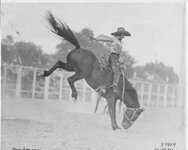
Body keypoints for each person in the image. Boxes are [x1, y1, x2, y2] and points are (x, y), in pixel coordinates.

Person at [90, 27, 131, 92]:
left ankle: (105, 85)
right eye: (123, 35)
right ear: (120, 34)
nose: (123, 37)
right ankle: (114, 86)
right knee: (116, 71)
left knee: (113, 71)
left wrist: (121, 62)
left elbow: (119, 54)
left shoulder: (119, 43)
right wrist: (96, 39)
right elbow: (105, 38)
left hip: (116, 57)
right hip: (113, 56)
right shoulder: (114, 38)